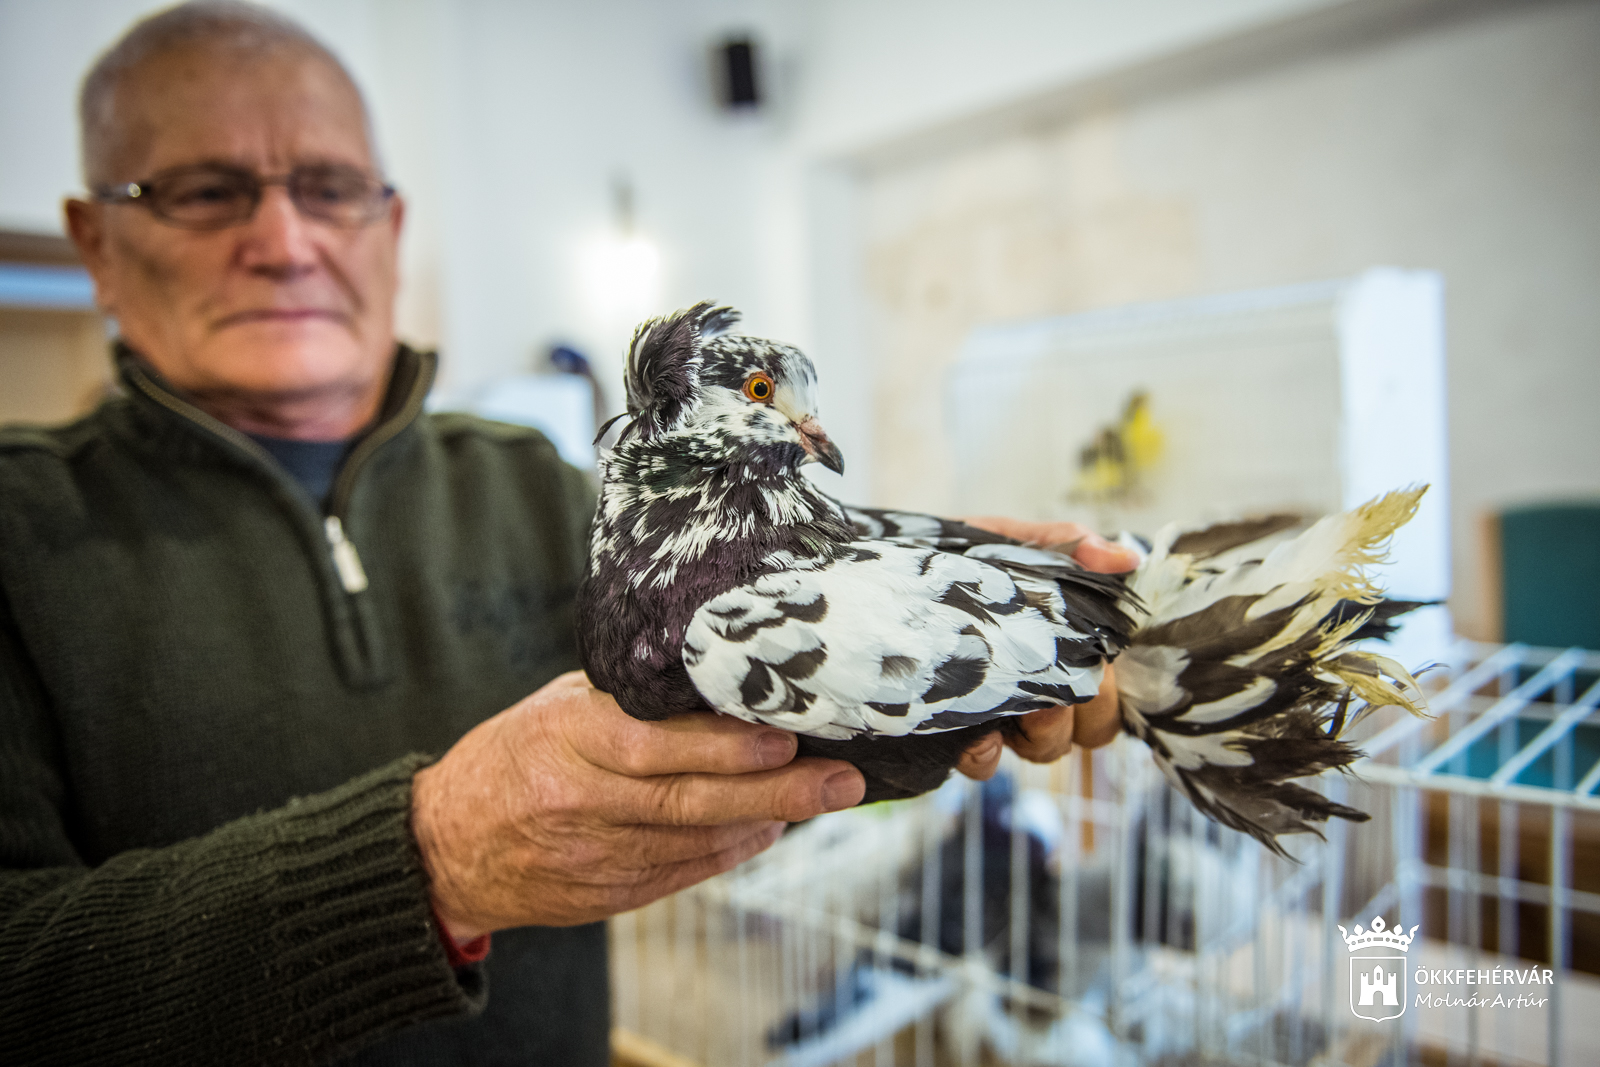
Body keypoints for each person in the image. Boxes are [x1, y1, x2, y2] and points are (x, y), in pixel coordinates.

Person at [0, 3, 1135, 1064]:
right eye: (204, 190)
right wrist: (430, 862)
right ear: (95, 239)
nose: (286, 239)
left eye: (331, 185)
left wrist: (918, 595)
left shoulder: (543, 488)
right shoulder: (18, 535)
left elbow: (716, 749)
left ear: (390, 225)